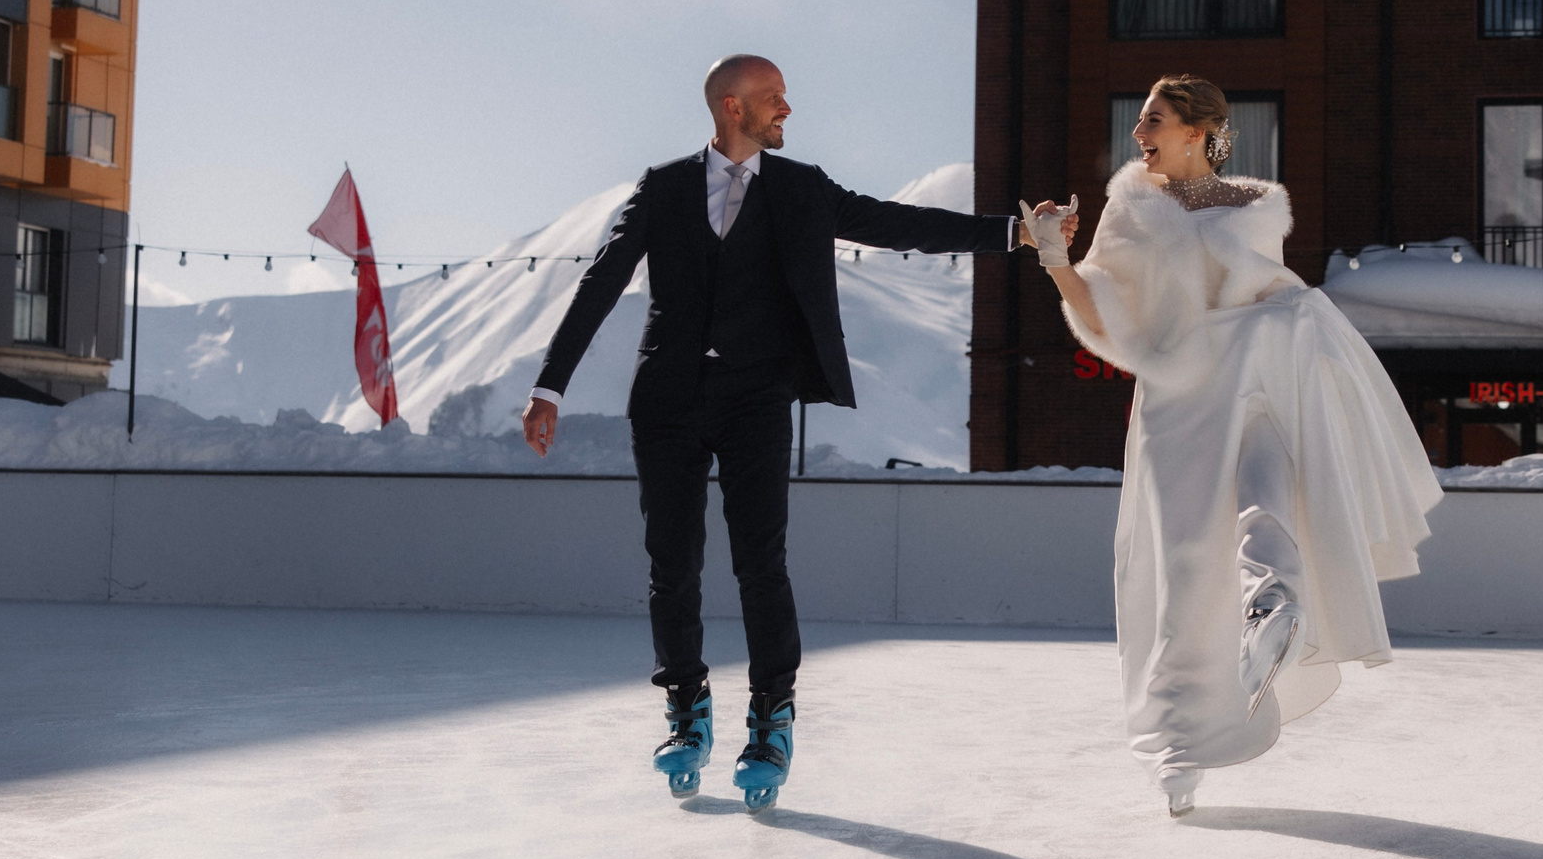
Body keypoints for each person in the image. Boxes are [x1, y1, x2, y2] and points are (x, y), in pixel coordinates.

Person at [523, 55, 1023, 810]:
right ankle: (686, 707)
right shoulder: (662, 188)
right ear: (732, 107)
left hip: (757, 397)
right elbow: (600, 280)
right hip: (667, 400)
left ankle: (770, 715)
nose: (787, 109)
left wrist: (1012, 231)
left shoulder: (803, 190)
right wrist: (548, 385)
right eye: (773, 99)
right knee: (673, 563)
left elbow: (899, 224)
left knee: (761, 562)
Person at [1020, 75, 1441, 817]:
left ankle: (1271, 599)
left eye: (1153, 117)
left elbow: (1255, 283)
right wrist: (1056, 253)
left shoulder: (1253, 204)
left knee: (1264, 478)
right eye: (1139, 119)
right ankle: (1187, 741)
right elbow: (1107, 310)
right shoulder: (1129, 206)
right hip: (1181, 393)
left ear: (1196, 128)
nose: (1138, 132)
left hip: (1258, 360)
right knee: (1181, 565)